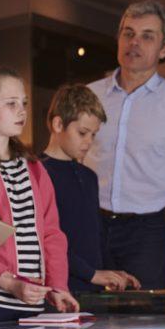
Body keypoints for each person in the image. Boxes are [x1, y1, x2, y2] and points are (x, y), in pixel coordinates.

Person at [86, 0, 165, 289]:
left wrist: (147, 196)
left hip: (145, 229)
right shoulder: (88, 96)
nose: (134, 43)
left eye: (147, 36)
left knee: (142, 319)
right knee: (86, 313)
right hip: (89, 222)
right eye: (128, 33)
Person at [0, 67, 78, 323]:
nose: (22, 111)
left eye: (24, 103)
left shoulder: (33, 166)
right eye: (11, 103)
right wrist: (9, 283)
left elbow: (51, 233)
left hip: (31, 304)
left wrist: (58, 286)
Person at [40, 83, 141, 294]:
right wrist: (91, 273)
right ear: (58, 124)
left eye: (93, 135)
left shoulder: (89, 177)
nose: (88, 142)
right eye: (83, 133)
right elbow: (42, 241)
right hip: (57, 291)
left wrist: (113, 272)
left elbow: (97, 236)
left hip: (93, 291)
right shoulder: (37, 173)